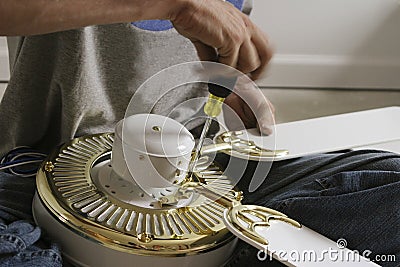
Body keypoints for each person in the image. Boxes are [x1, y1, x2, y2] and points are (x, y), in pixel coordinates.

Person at [0, 0, 399, 266]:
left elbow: (213, 53)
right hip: (45, 173)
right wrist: (173, 4)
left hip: (202, 171)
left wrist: (229, 85)